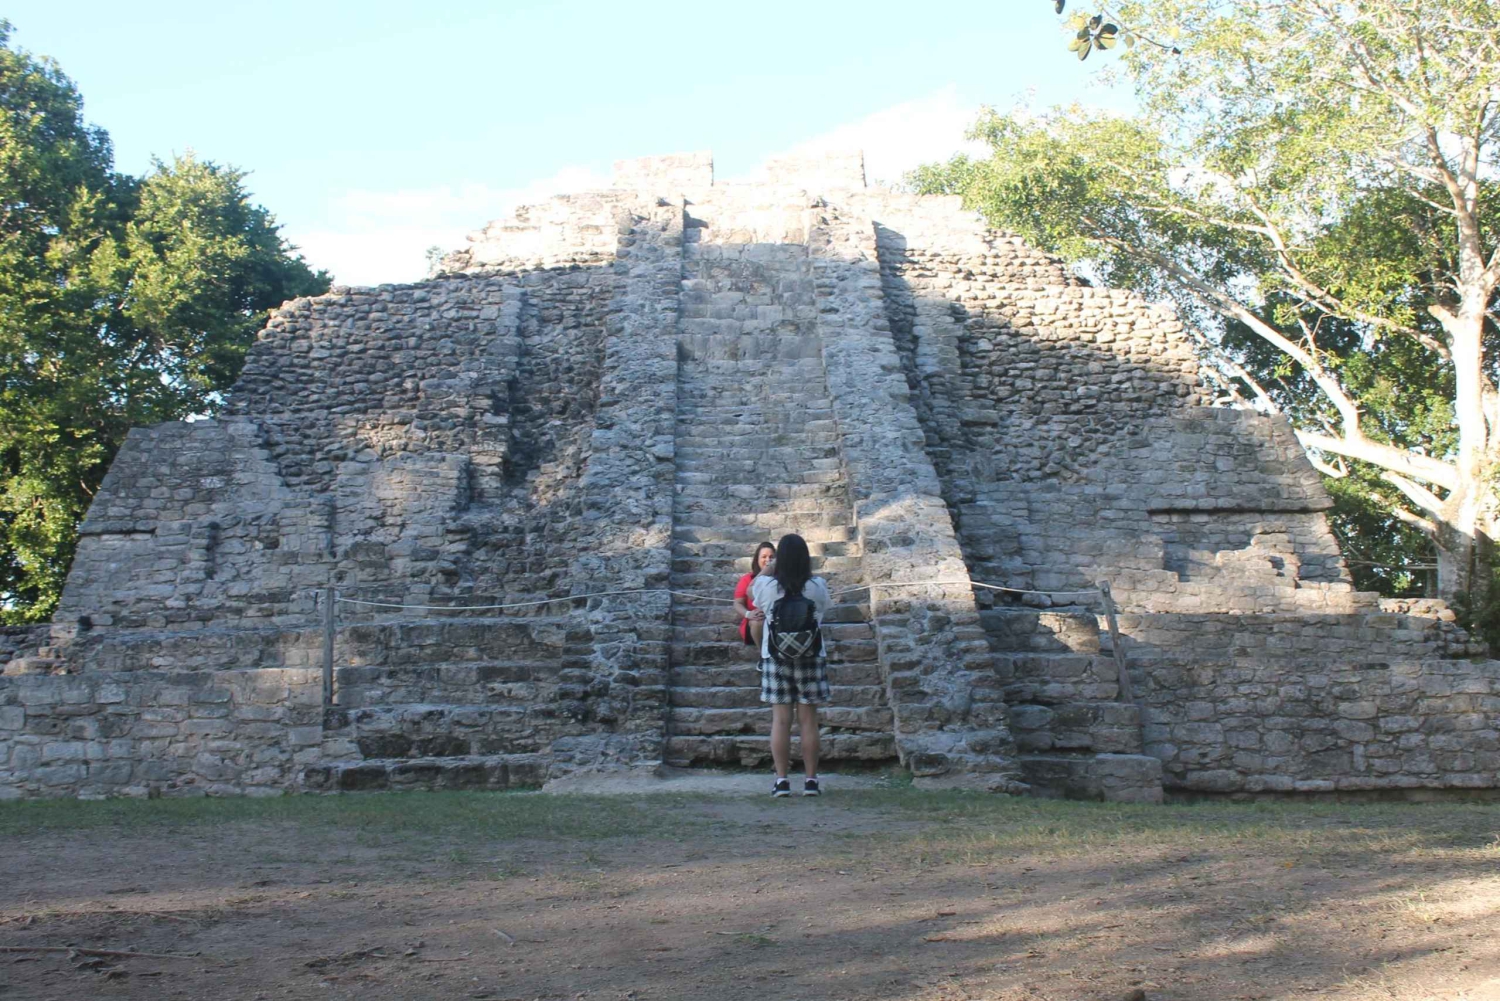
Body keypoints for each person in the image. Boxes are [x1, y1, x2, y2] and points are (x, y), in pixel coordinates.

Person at [750, 533, 832, 798]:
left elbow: (751, 592)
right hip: (811, 655)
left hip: (776, 656)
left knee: (781, 720)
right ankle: (811, 781)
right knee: (809, 721)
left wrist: (770, 567)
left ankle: (782, 780)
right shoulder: (817, 585)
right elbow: (824, 609)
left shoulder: (767, 586)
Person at [733, 541, 777, 651]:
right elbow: (738, 603)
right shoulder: (747, 579)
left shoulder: (780, 579)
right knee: (758, 622)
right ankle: (764, 655)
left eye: (771, 557)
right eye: (764, 557)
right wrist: (749, 614)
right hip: (756, 622)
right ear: (757, 559)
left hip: (777, 620)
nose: (768, 560)